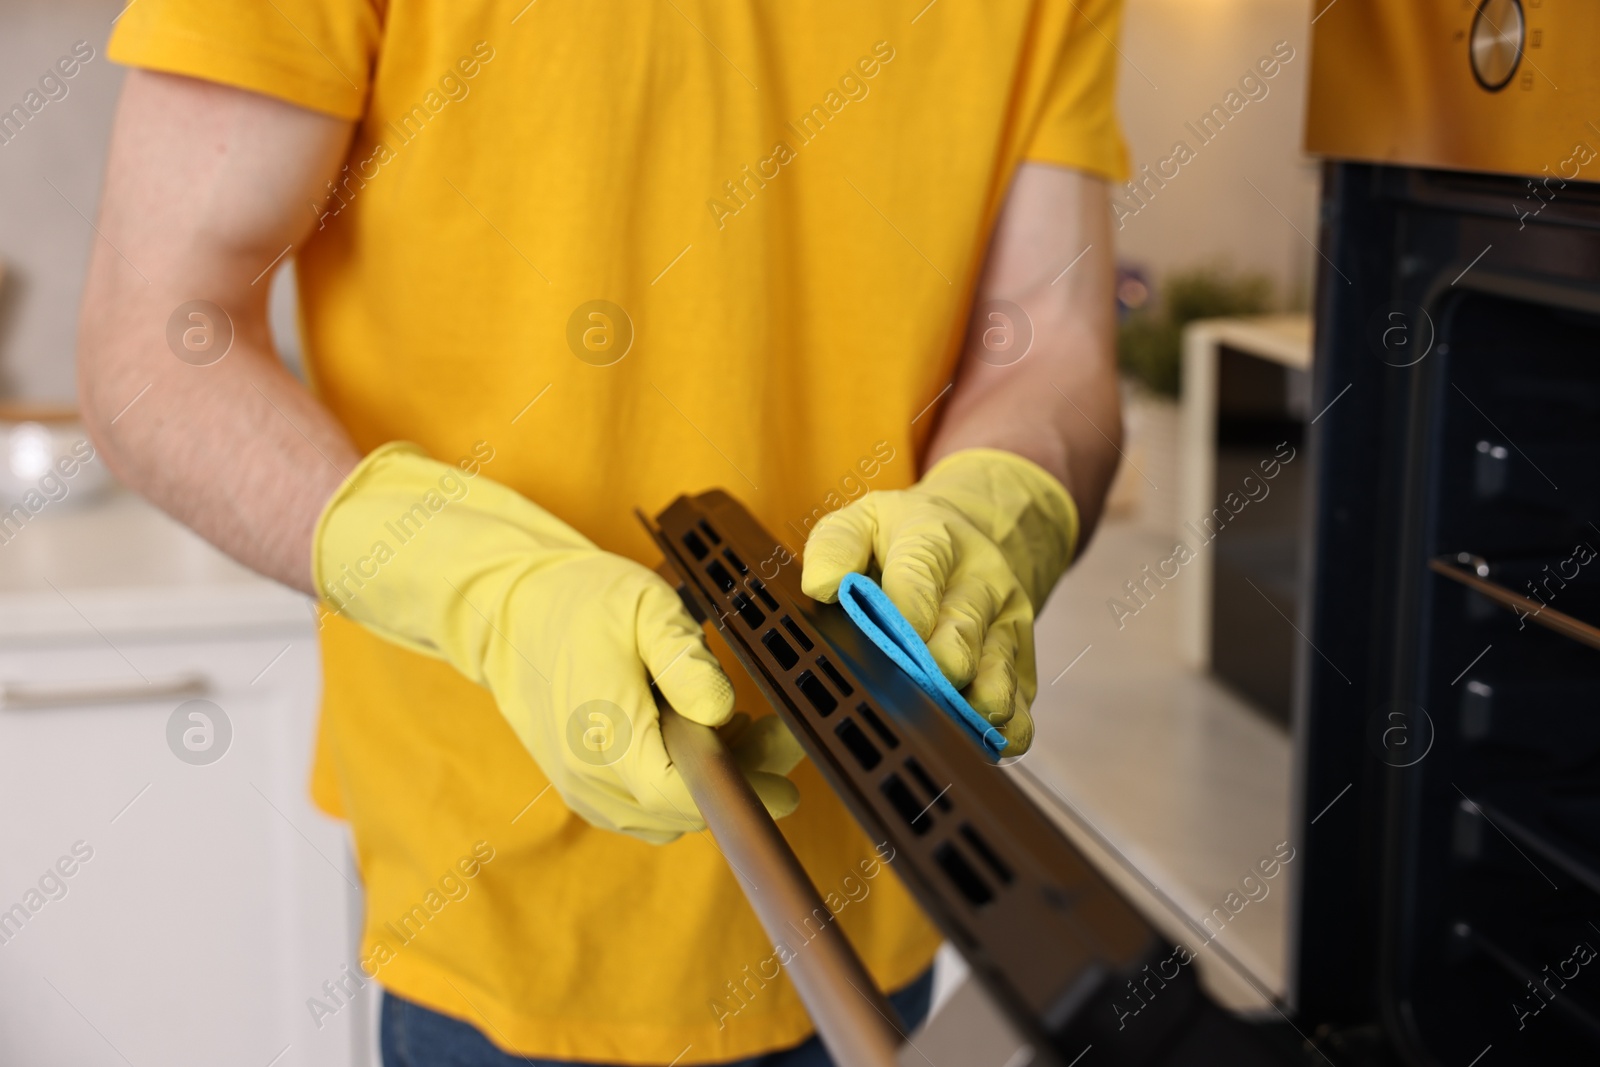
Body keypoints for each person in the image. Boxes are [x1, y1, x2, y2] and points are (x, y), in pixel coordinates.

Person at [79, 1, 1127, 1064]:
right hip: (507, 906)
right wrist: (485, 589)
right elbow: (157, 336)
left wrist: (1001, 504)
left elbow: (1051, 342)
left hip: (880, 879)